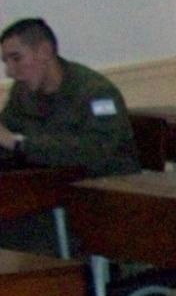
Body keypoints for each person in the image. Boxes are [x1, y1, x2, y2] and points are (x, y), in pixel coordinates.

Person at [1, 17, 139, 177]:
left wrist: (19, 144)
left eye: (17, 58)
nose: (9, 72)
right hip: (51, 180)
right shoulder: (23, 90)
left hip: (106, 184)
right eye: (6, 61)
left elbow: (97, 150)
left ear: (44, 51)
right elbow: (7, 131)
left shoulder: (97, 92)